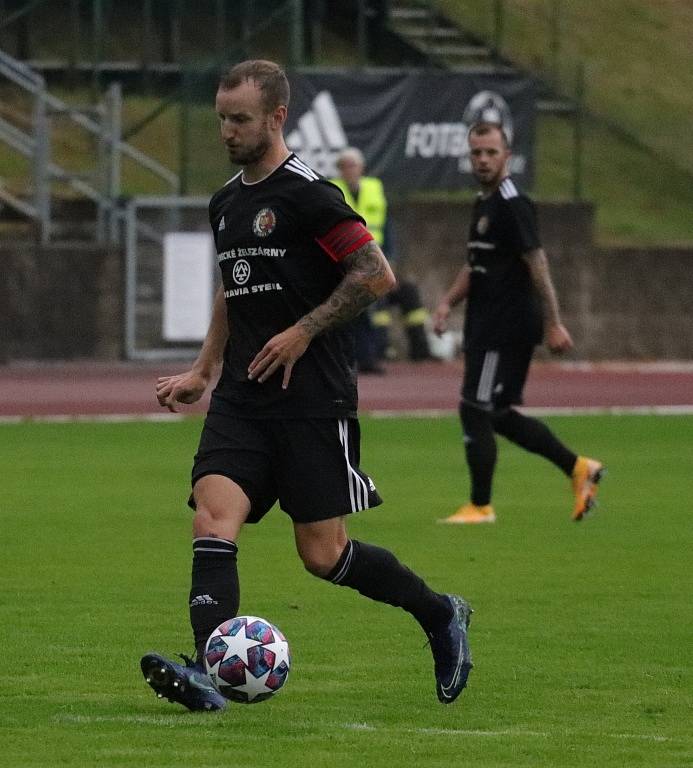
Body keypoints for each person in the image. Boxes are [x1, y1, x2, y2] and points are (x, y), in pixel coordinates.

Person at [140, 59, 472, 711]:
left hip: (313, 400)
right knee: (213, 516)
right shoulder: (226, 202)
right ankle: (211, 670)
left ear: (275, 117)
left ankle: (439, 614)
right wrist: (204, 370)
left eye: (239, 120)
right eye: (221, 120)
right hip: (241, 398)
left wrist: (301, 330)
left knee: (322, 556)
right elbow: (231, 291)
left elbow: (375, 276)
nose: (227, 132)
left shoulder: (310, 195)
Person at [433, 121, 604, 525]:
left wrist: (554, 322)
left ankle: (480, 506)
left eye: (491, 152)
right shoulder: (484, 202)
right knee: (496, 413)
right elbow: (476, 265)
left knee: (474, 407)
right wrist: (445, 303)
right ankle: (578, 467)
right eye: (477, 152)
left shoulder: (512, 202)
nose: (483, 159)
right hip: (487, 324)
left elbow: (537, 263)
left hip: (503, 328)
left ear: (507, 156)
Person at [331, 147, 434, 367]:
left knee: (409, 292)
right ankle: (375, 354)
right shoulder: (332, 191)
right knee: (371, 304)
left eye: (353, 165)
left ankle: (421, 351)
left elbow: (388, 232)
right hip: (346, 267)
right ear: (339, 170)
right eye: (344, 166)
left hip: (378, 263)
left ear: (361, 168)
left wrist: (391, 264)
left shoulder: (374, 189)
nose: (349, 170)